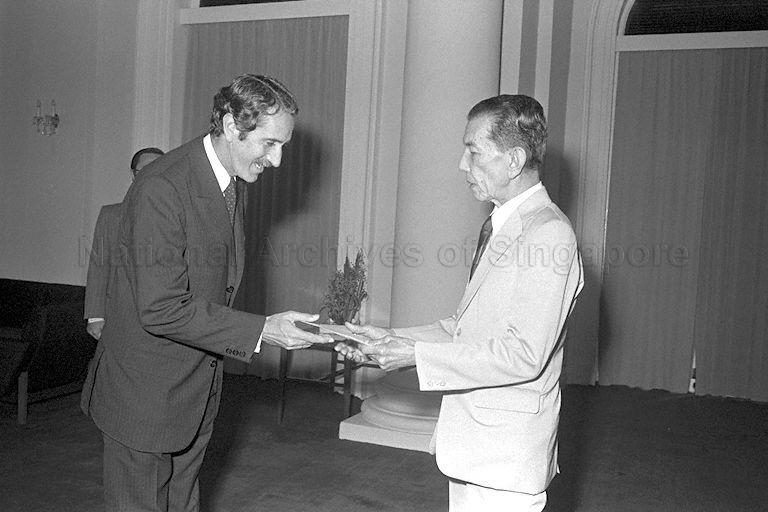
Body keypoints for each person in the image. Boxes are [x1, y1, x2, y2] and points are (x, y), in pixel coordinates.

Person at [80, 74, 331, 512]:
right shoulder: (162, 186)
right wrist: (263, 331)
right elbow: (160, 309)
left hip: (194, 388)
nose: (276, 160)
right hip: (145, 395)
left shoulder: (231, 182)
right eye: (270, 144)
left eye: (283, 146)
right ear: (233, 125)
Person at [338, 95, 584, 512]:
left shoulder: (548, 234)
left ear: (514, 160)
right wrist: (388, 339)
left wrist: (413, 356)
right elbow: (463, 326)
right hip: (477, 447)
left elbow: (523, 354)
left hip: (505, 455)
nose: (461, 164)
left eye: (473, 151)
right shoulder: (503, 224)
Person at [84, 147, 165, 340]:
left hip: (161, 317)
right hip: (118, 316)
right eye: (145, 169)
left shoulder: (178, 217)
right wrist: (95, 316)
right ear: (133, 175)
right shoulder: (112, 216)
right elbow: (99, 265)